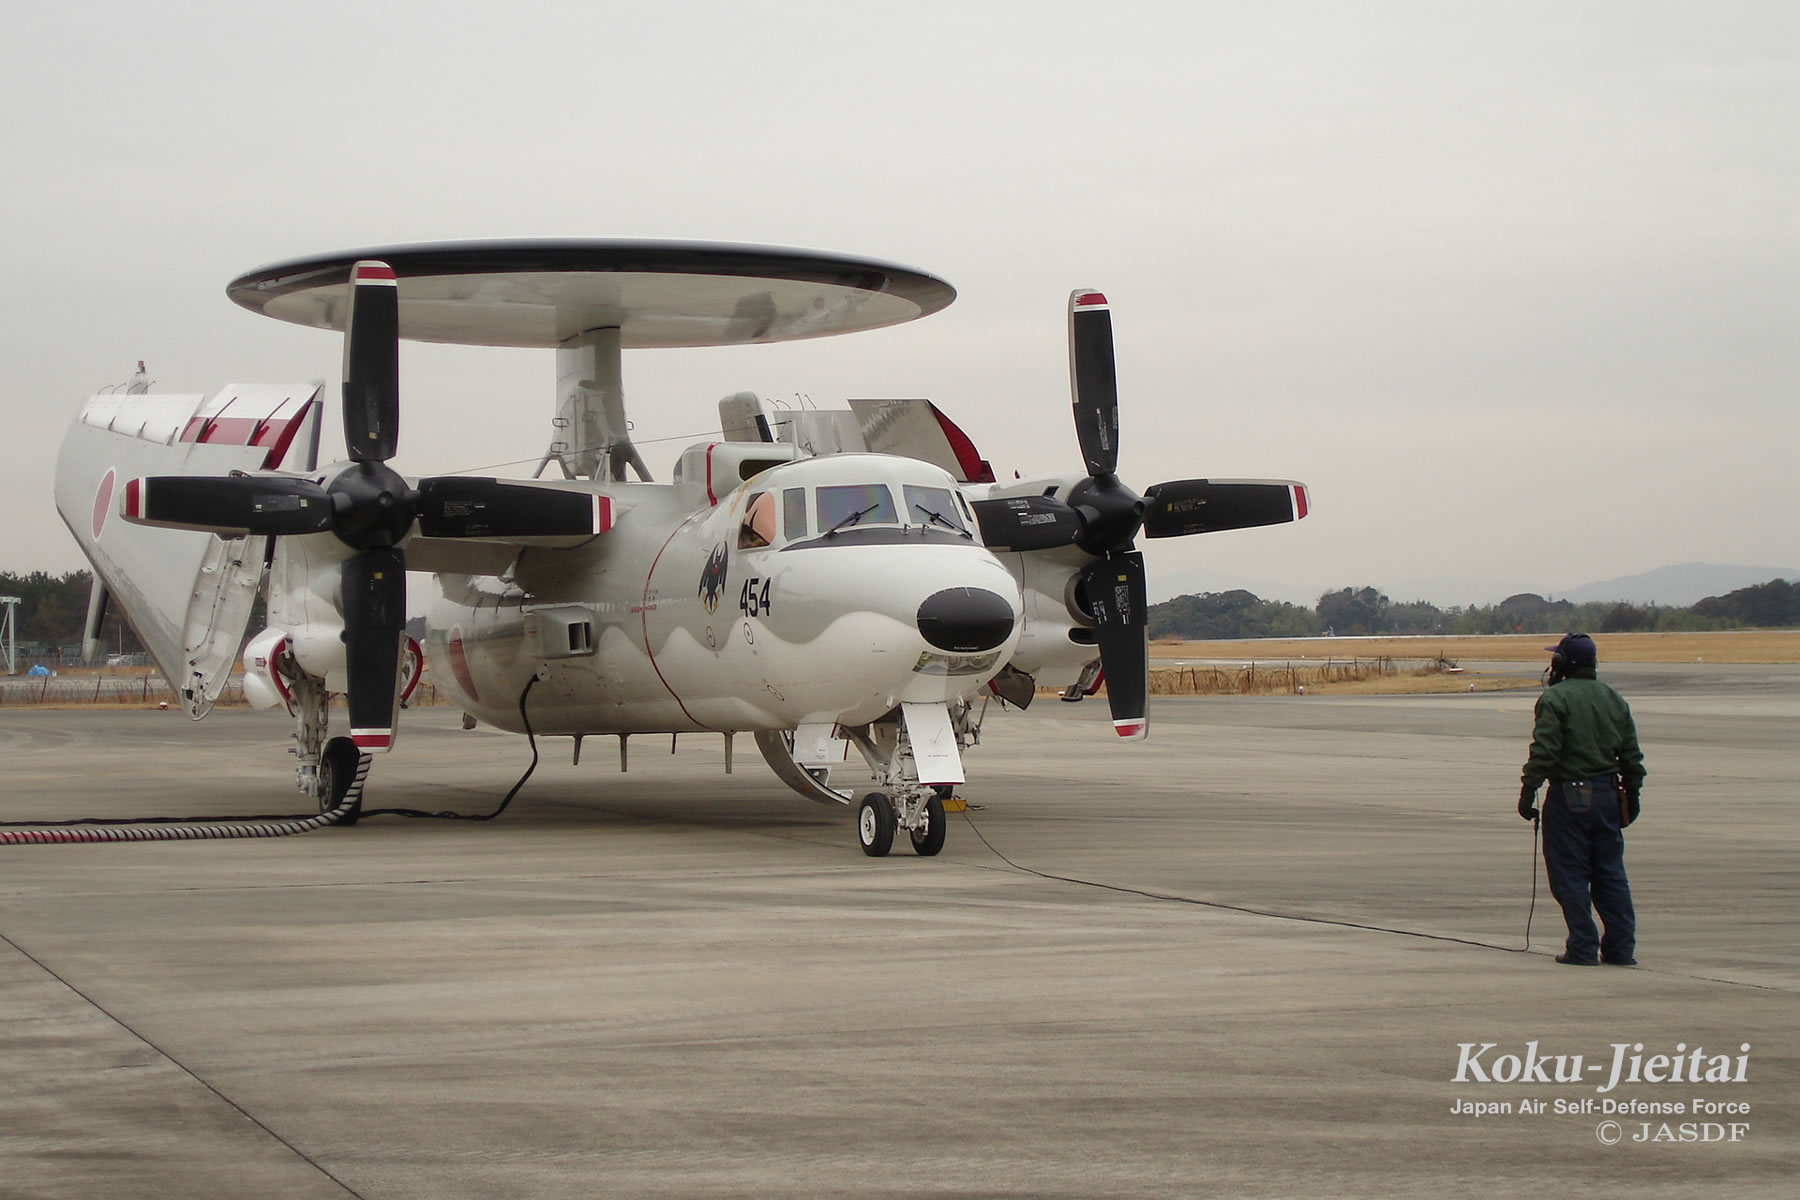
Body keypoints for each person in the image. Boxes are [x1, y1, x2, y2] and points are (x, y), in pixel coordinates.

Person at [1518, 633, 1646, 966]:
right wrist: (1631, 794)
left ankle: (1583, 945)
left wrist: (1528, 789)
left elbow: (1544, 751)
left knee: (1568, 873)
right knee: (1610, 874)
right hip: (1607, 794)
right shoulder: (1613, 699)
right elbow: (1631, 755)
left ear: (1560, 664)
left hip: (1569, 796)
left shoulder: (1555, 700)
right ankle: (1620, 948)